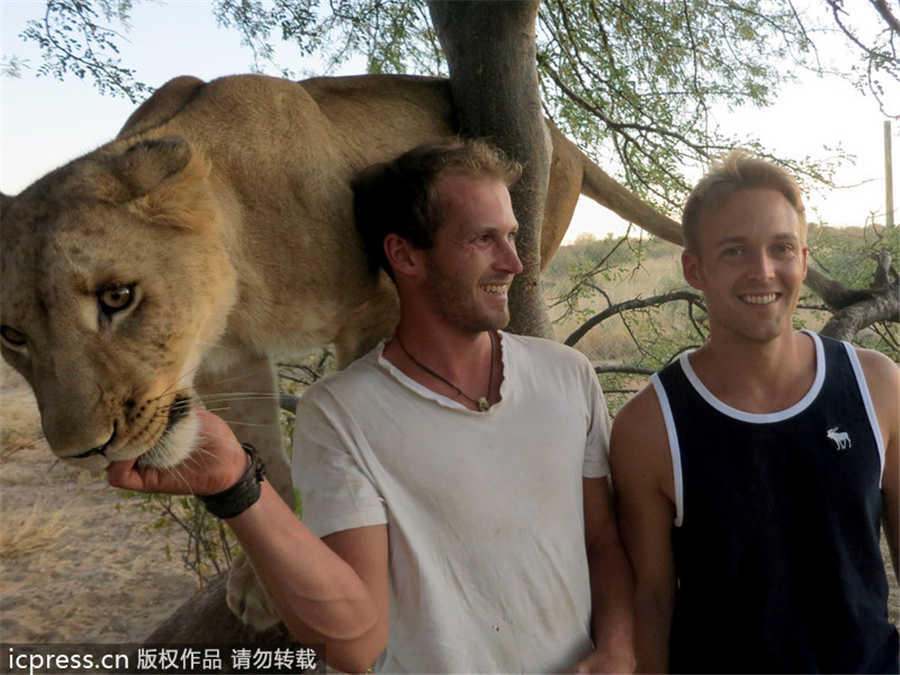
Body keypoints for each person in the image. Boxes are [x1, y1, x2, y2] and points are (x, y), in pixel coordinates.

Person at [109, 138, 635, 673]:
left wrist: (618, 649)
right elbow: (354, 642)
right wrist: (236, 485)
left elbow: (603, 541)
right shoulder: (340, 415)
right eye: (484, 239)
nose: (515, 263)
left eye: (511, 237)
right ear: (405, 255)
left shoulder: (567, 375)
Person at [610, 149, 900, 673]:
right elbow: (652, 602)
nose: (763, 272)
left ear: (804, 261)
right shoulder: (650, 426)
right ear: (694, 268)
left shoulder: (876, 386)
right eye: (735, 251)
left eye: (781, 248)